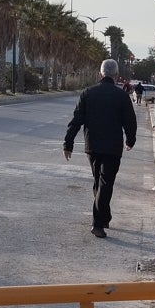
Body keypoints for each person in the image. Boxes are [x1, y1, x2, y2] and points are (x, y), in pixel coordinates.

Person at [63, 59, 138, 238]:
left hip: (93, 146)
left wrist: (68, 143)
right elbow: (130, 121)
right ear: (116, 75)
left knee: (99, 181)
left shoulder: (88, 93)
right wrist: (130, 140)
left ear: (100, 74)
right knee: (105, 183)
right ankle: (98, 223)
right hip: (113, 147)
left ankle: (104, 216)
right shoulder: (121, 96)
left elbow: (76, 120)